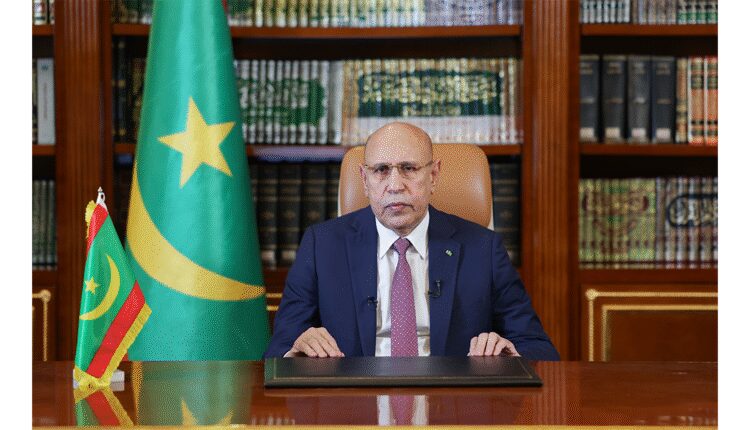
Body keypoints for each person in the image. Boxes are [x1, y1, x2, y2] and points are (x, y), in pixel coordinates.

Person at [264, 122, 559, 360]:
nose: (395, 185)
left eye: (409, 168)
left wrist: (508, 351)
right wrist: (298, 346)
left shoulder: (483, 248)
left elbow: (538, 348)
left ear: (434, 175)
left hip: (453, 402)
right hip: (353, 399)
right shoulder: (322, 246)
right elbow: (278, 350)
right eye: (381, 170)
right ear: (364, 180)